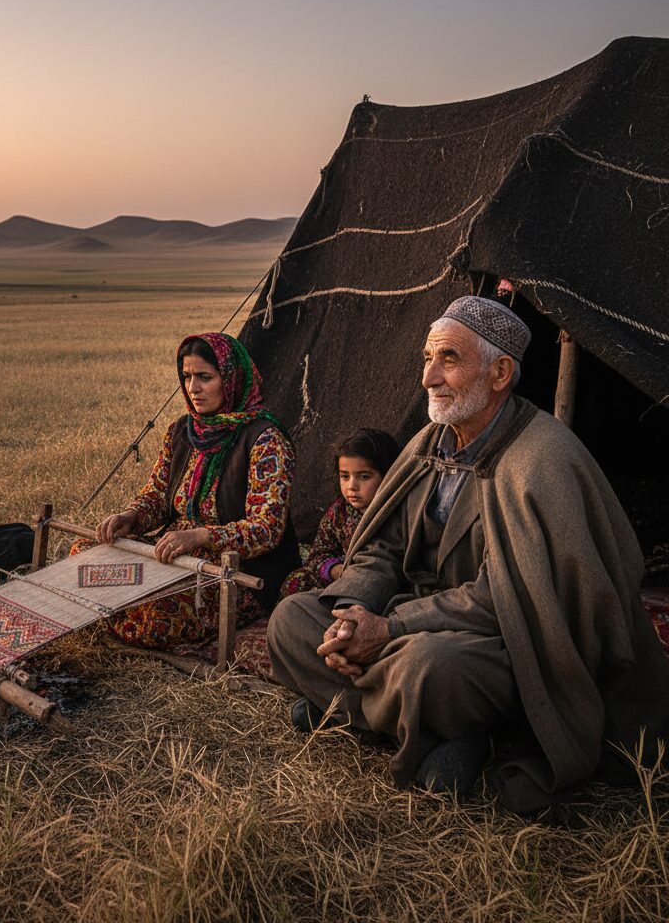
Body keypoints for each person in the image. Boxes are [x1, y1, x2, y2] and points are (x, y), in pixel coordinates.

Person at [267, 296, 669, 813]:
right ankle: (439, 734)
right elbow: (384, 548)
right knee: (290, 620)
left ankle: (358, 709)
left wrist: (389, 630)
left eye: (448, 360)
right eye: (426, 358)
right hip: (404, 619)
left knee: (430, 667)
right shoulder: (429, 445)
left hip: (505, 641)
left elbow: (511, 596)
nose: (428, 378)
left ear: (500, 372)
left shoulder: (542, 459)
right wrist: (352, 613)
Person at [93, 331, 300, 649]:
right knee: (87, 554)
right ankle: (114, 607)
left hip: (234, 574)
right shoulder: (181, 431)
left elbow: (266, 530)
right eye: (187, 376)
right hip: (173, 554)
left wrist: (202, 536)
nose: (193, 388)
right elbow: (158, 496)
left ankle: (112, 610)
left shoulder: (265, 440)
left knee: (155, 615)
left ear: (230, 379)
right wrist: (131, 517)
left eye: (205, 377)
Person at [280, 428, 400, 598]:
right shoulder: (340, 512)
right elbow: (319, 554)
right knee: (296, 581)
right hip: (342, 578)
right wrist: (337, 571)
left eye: (364, 477)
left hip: (379, 586)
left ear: (389, 475)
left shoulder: (398, 513)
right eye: (345, 476)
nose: (352, 486)